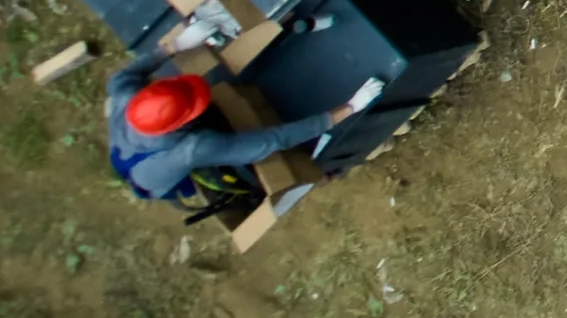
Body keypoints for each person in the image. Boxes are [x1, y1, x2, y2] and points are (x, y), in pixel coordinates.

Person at [104, 29, 376, 218]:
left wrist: (175, 46)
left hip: (125, 151)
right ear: (182, 124)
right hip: (151, 178)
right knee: (244, 176)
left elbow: (127, 74)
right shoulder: (194, 147)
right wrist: (346, 110)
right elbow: (272, 140)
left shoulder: (124, 92)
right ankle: (318, 176)